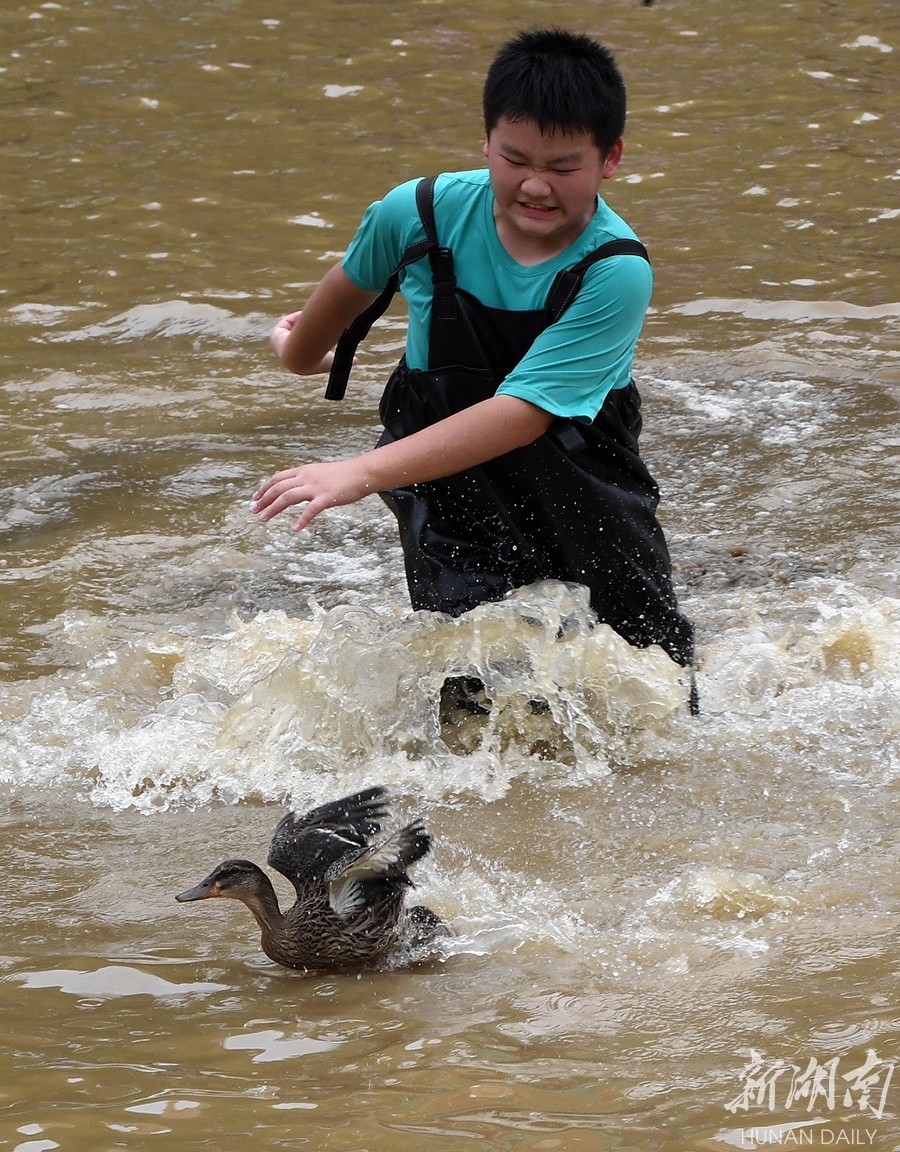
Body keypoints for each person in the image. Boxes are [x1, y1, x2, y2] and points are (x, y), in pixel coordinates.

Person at [252, 27, 696, 688]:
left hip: (583, 482)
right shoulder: (417, 215)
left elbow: (522, 414)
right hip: (448, 495)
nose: (537, 186)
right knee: (473, 682)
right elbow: (337, 302)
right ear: (486, 142)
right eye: (516, 159)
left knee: (651, 680)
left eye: (564, 166)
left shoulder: (614, 269)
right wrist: (297, 352)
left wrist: (360, 472)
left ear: (612, 159)